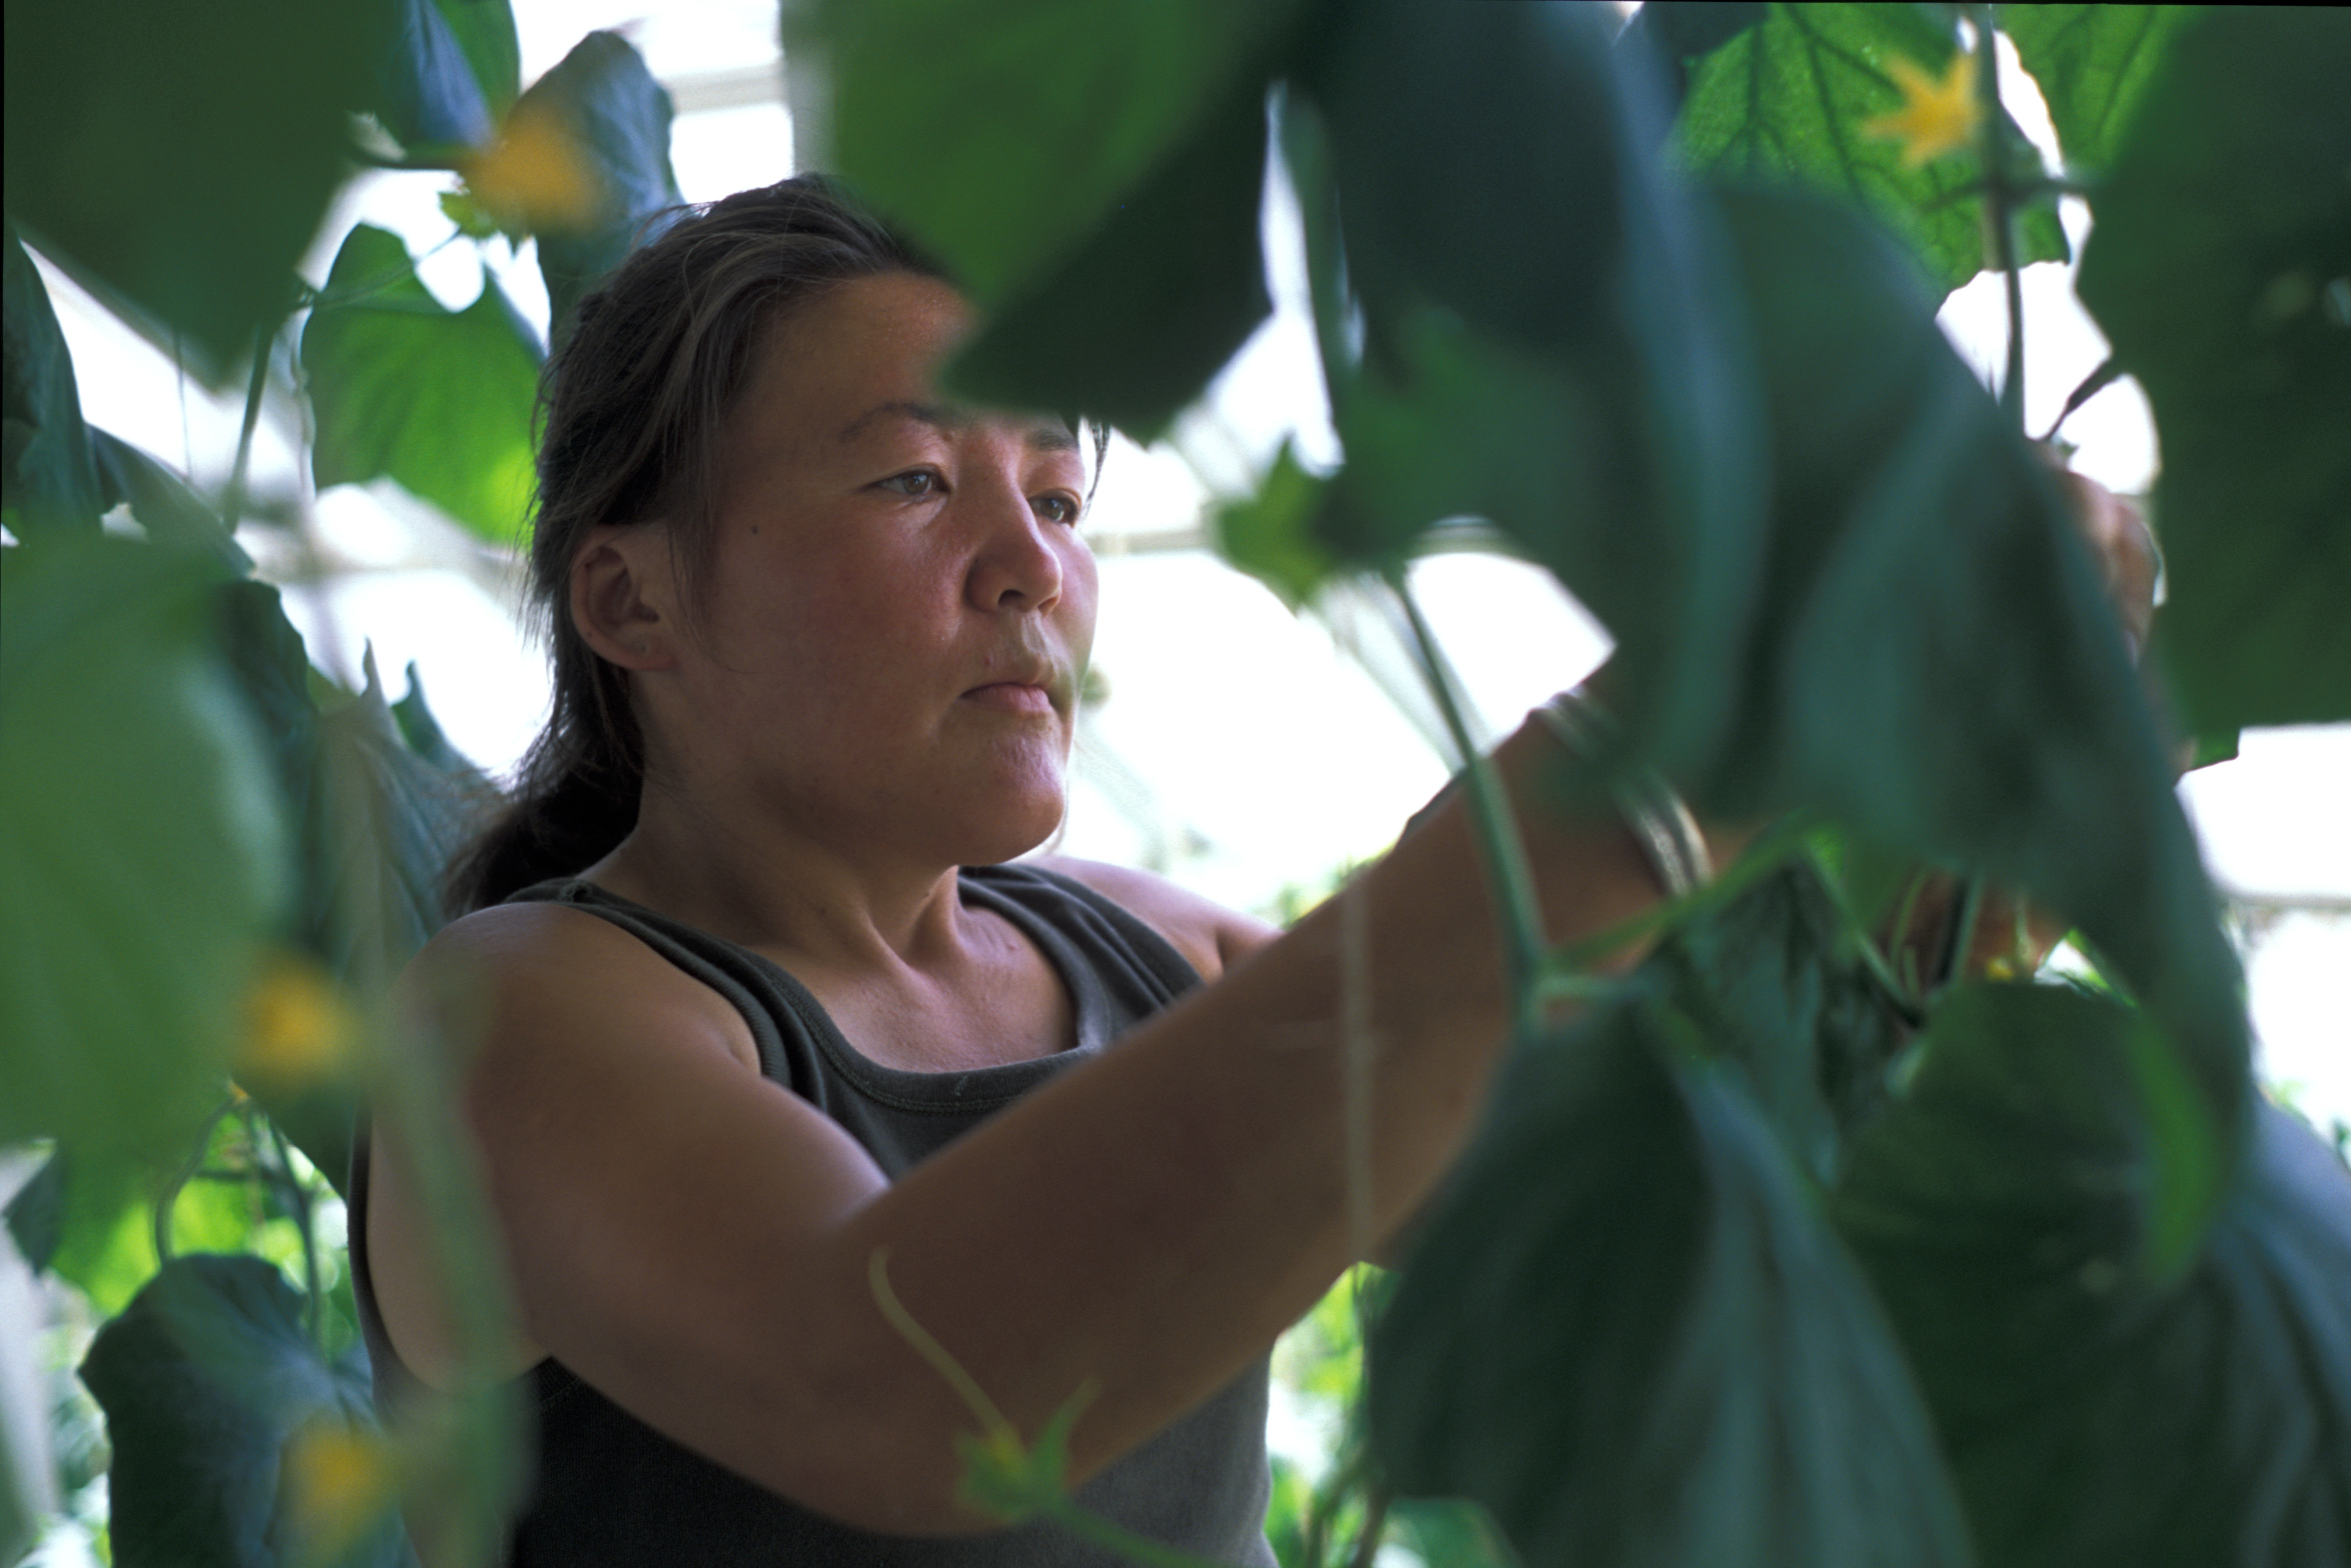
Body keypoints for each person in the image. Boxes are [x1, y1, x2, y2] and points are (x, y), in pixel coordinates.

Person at [346, 175, 2118, 1564]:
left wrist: (1907, 882)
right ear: (631, 598)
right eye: (910, 478)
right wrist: (1662, 743)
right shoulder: (514, 1023)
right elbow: (903, 1387)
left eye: (1057, 491)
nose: (1026, 564)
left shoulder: (1139, 947)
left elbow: (1610, 1206)